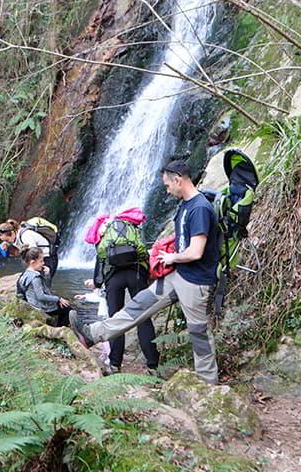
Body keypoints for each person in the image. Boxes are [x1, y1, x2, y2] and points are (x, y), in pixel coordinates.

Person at [69, 160, 219, 384]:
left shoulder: (199, 208)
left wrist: (172, 258)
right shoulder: (186, 206)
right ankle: (92, 334)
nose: (167, 190)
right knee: (139, 305)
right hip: (178, 275)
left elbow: (196, 251)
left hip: (195, 282)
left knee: (199, 332)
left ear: (178, 180)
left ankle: (208, 384)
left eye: (168, 185)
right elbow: (183, 242)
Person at [89, 214, 160, 375]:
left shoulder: (104, 231)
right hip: (136, 274)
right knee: (144, 318)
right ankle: (153, 366)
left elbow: (100, 259)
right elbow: (144, 253)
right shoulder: (132, 229)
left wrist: (98, 282)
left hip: (113, 278)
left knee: (115, 319)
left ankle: (115, 365)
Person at [17, 247, 71, 326]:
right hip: (41, 307)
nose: (43, 263)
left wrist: (47, 275)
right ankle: (60, 328)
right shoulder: (35, 278)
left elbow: (46, 289)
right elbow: (41, 296)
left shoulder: (25, 274)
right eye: (41, 261)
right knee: (67, 309)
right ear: (32, 262)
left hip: (32, 303)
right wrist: (58, 299)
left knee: (62, 305)